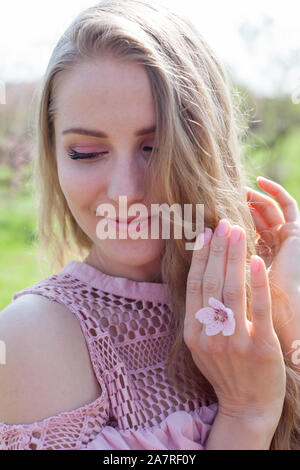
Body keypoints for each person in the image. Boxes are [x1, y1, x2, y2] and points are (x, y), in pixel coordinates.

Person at [0, 0, 300, 450]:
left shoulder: (262, 292)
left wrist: (286, 324)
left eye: (155, 147)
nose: (124, 191)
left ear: (206, 148)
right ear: (55, 157)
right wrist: (246, 416)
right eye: (86, 152)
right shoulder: (31, 341)